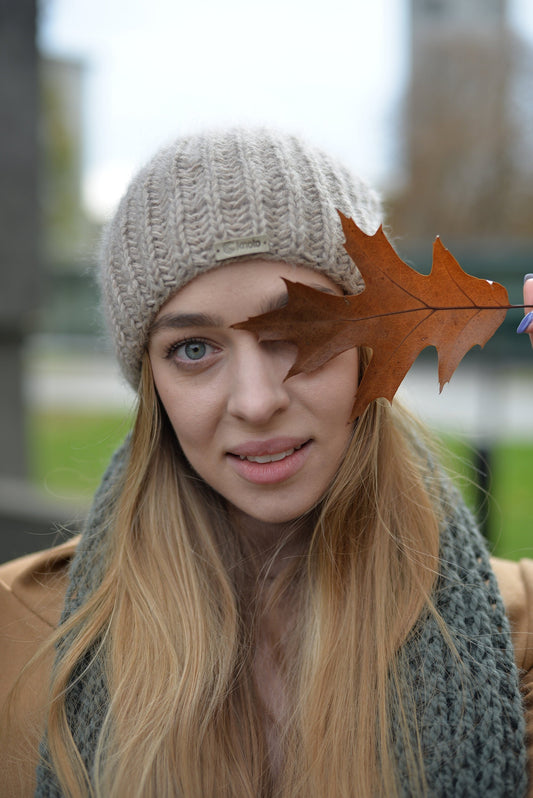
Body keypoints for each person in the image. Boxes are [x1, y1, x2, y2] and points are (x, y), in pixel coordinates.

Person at [1, 128, 532, 798]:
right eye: (194, 349)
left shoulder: (517, 640)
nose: (255, 402)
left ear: (372, 345)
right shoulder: (16, 633)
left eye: (298, 333)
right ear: (152, 386)